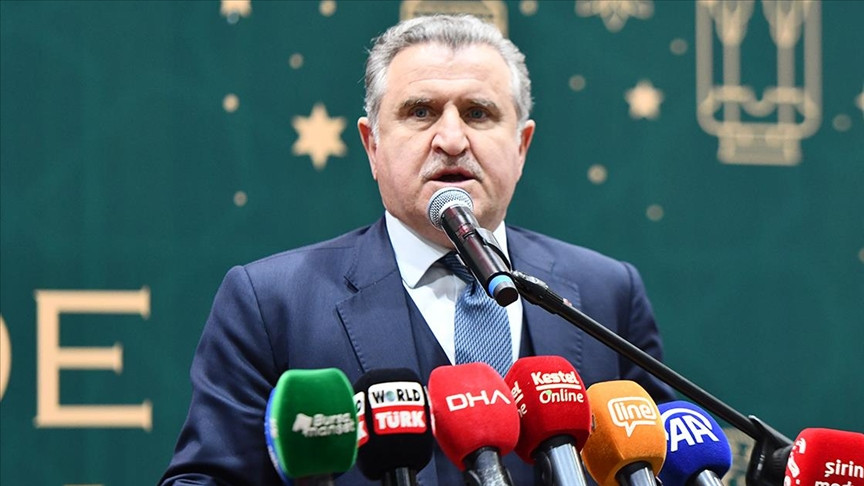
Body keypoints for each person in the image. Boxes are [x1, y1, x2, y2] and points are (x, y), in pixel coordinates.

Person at [160, 14, 674, 485]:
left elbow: (664, 467)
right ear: (373, 146)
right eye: (421, 112)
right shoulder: (272, 304)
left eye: (478, 113)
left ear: (521, 147)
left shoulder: (607, 294)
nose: (451, 139)